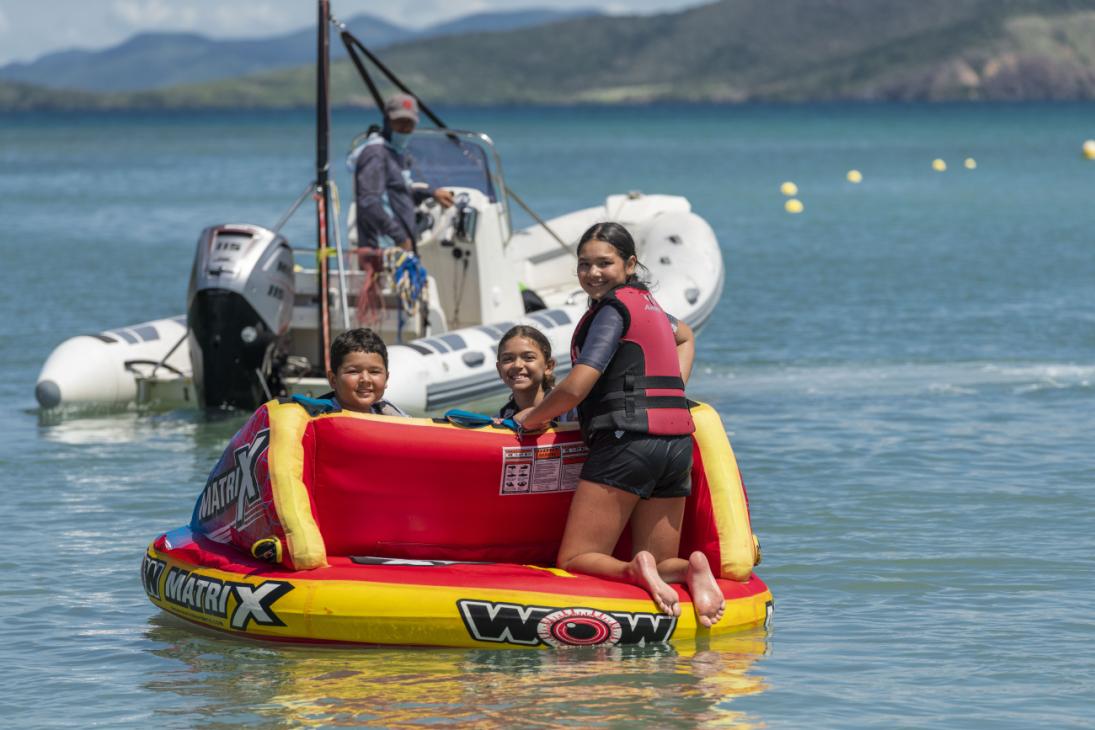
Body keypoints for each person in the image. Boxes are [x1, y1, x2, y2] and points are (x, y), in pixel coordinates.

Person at [513, 222, 725, 627]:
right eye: (584, 264)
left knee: (576, 557)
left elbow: (578, 385)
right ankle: (689, 568)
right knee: (662, 561)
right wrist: (673, 390)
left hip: (627, 442)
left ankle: (632, 569)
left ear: (629, 264)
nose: (593, 273)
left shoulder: (612, 311)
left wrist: (531, 419)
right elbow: (685, 337)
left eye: (604, 263)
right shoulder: (651, 307)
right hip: (676, 442)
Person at [353, 93, 454, 255]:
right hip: (383, 250)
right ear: (387, 121)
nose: (405, 129)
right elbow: (369, 201)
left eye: (409, 123)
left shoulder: (396, 153)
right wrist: (399, 236)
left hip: (400, 248)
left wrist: (432, 193)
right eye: (399, 123)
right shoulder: (376, 154)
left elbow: (398, 193)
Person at [307, 328, 408, 416]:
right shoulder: (314, 418)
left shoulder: (393, 416)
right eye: (353, 371)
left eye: (374, 372)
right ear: (333, 380)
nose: (365, 379)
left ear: (386, 379)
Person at [495, 325, 559, 420]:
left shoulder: (569, 410)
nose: (517, 365)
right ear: (499, 369)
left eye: (529, 357)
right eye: (508, 359)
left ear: (548, 366)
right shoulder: (501, 421)